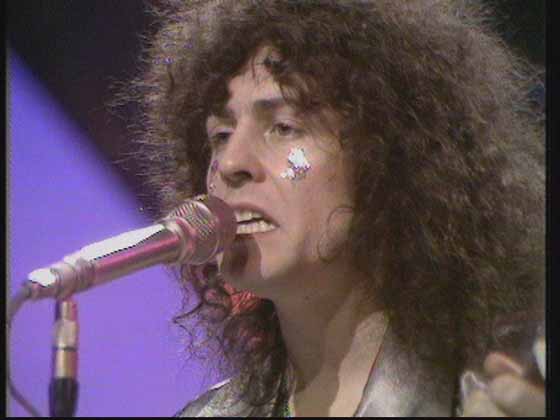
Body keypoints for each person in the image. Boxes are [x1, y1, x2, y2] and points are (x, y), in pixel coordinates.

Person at [116, 0, 546, 416]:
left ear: (387, 158)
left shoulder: (502, 388)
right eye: (221, 135)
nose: (230, 163)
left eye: (283, 127)